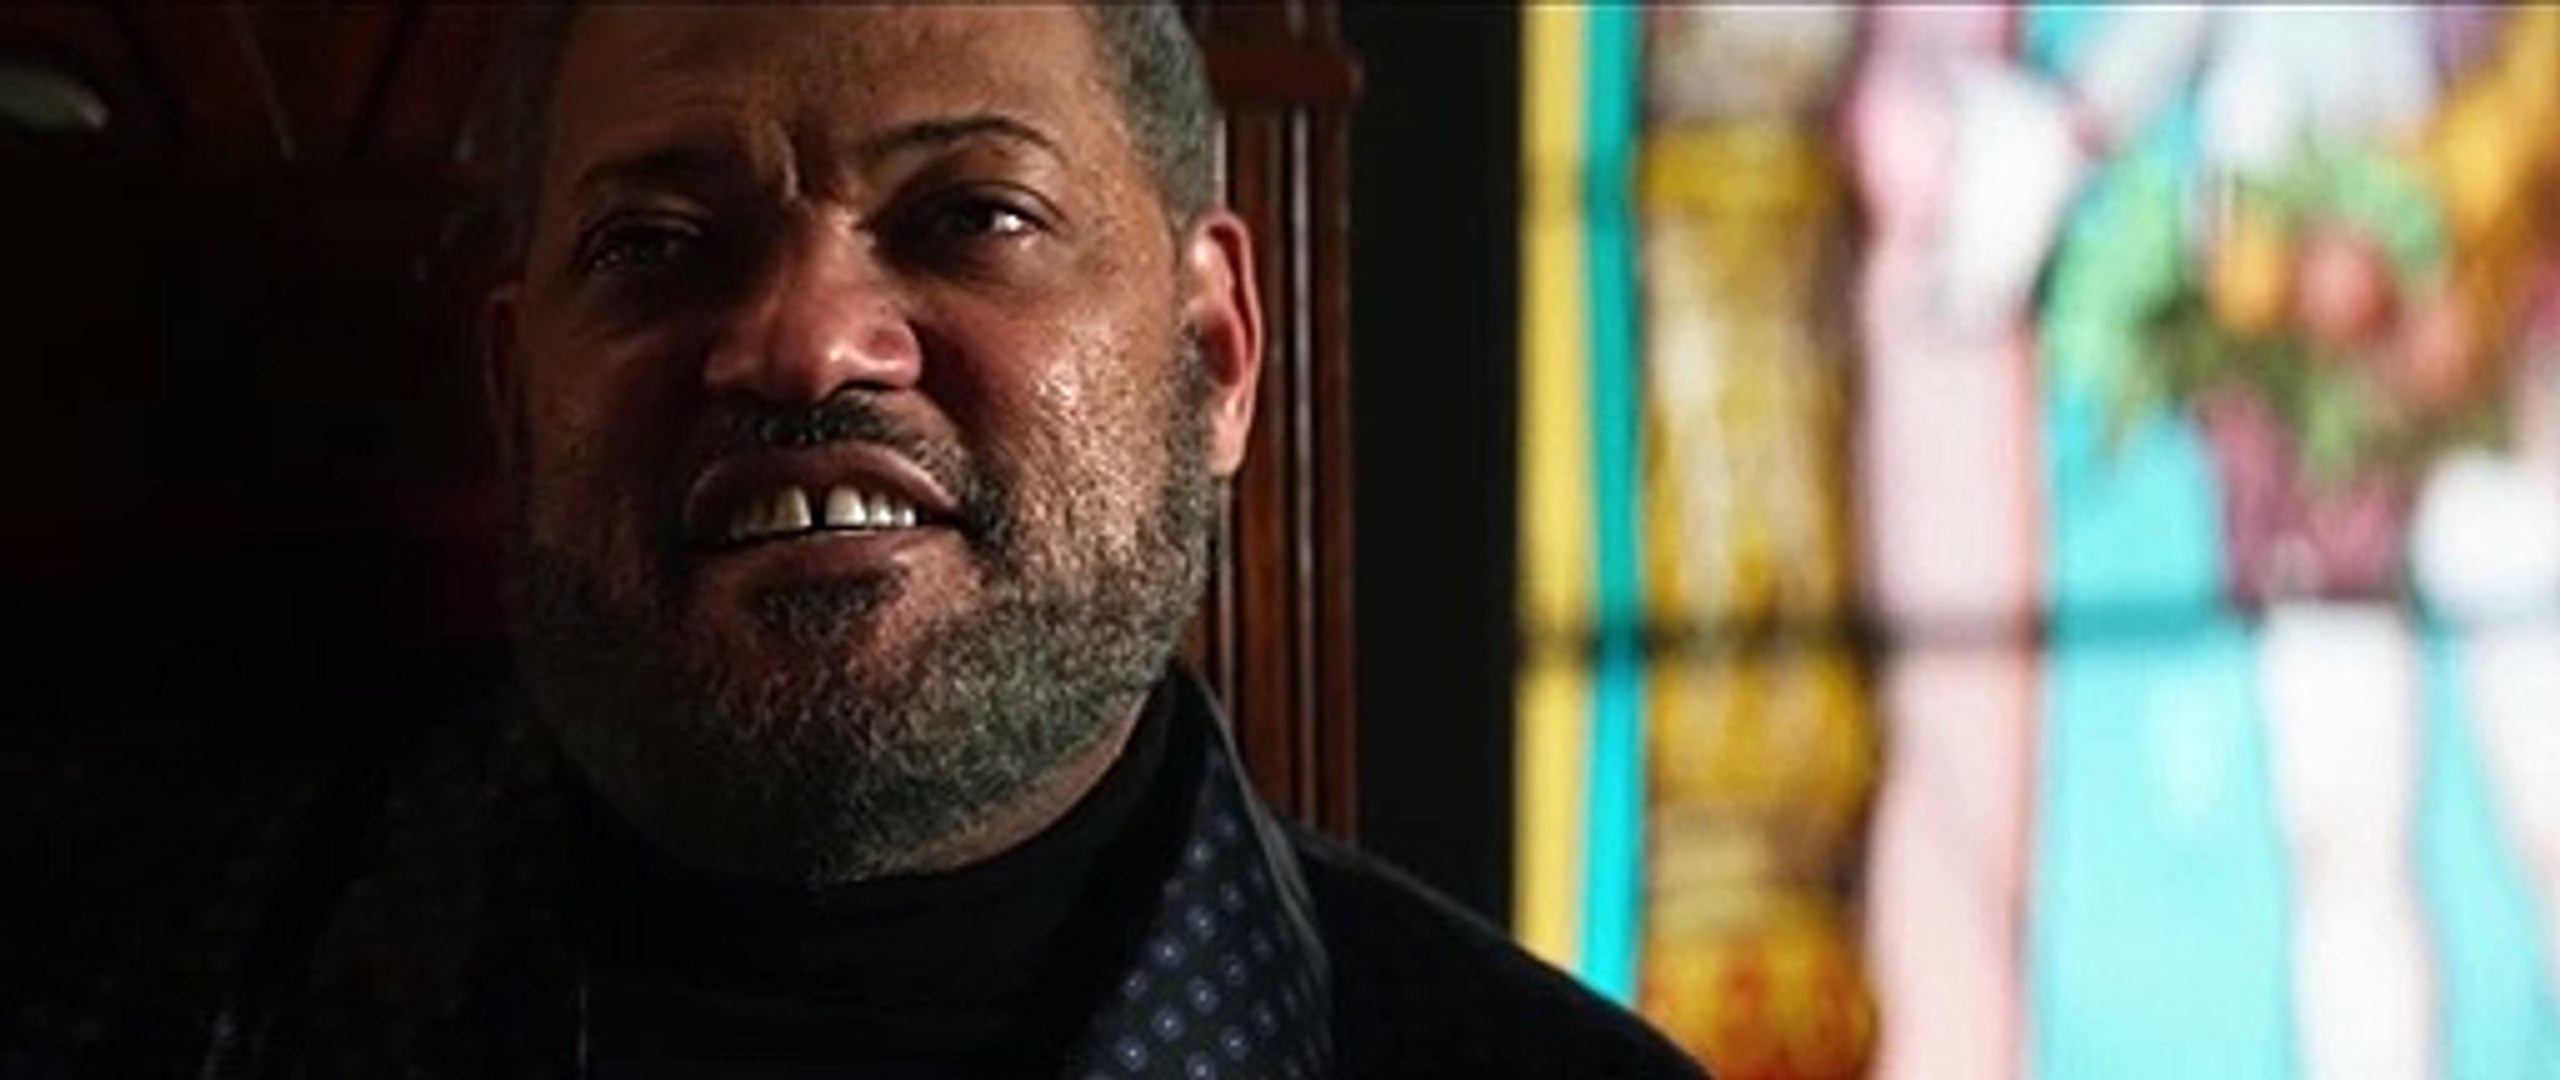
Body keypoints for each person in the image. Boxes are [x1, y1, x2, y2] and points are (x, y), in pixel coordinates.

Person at [6, 4, 1708, 1078]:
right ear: (518, 403)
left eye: (973, 214)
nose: (806, 343)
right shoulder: (96, 999)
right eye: (655, 242)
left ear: (1213, 355)